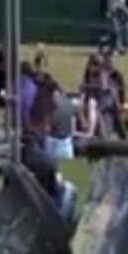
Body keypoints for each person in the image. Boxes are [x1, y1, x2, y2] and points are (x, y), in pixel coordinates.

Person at [22, 87, 77, 224]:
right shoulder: (45, 162)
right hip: (40, 216)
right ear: (47, 121)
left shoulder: (18, 148)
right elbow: (52, 192)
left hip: (22, 206)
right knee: (69, 190)